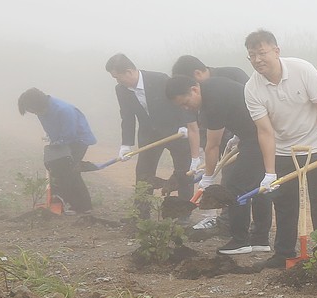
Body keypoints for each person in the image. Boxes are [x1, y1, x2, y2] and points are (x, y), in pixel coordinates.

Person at [242, 29, 317, 269]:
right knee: (284, 203)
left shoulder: (303, 70)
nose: (257, 59)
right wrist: (269, 172)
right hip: (284, 150)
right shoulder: (252, 88)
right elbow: (265, 131)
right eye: (252, 55)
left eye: (262, 53)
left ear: (276, 51)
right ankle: (283, 254)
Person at [166, 75, 273, 256]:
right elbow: (240, 106)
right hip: (257, 133)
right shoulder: (213, 85)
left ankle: (240, 241)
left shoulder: (212, 102)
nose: (186, 108)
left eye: (186, 102)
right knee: (258, 186)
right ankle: (260, 239)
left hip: (258, 137)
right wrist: (239, 133)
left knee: (234, 186)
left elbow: (212, 146)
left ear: (194, 89)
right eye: (181, 106)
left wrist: (208, 177)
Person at [171, 55, 255, 231]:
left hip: (251, 135)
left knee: (237, 182)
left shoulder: (231, 76)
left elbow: (253, 104)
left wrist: (208, 177)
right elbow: (198, 126)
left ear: (196, 76)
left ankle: (237, 227)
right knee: (230, 180)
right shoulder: (199, 96)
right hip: (227, 137)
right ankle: (228, 223)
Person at [105, 54, 194, 199]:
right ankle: (141, 210)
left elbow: (181, 100)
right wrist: (126, 144)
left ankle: (184, 207)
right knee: (143, 173)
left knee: (183, 171)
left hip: (176, 132)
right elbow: (127, 116)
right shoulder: (121, 89)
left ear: (128, 72)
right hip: (149, 135)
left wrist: (184, 125)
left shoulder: (160, 79)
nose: (117, 81)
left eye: (118, 77)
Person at [17, 88, 97, 215]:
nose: (32, 113)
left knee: (69, 170)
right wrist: (51, 139)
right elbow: (51, 128)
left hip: (78, 140)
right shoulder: (41, 111)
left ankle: (82, 206)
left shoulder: (64, 110)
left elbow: (69, 134)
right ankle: (60, 199)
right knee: (58, 169)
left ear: (37, 104)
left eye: (31, 110)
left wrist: (56, 146)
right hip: (61, 141)